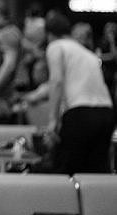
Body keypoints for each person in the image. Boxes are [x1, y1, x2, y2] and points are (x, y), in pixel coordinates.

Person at [44, 12, 114, 174]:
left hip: (80, 113)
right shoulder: (87, 53)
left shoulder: (56, 46)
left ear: (49, 34)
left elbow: (56, 81)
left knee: (66, 172)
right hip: (106, 113)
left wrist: (53, 121)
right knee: (96, 172)